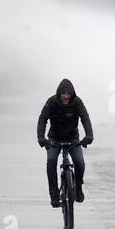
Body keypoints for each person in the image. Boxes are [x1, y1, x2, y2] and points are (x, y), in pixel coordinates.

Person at [37, 79, 93, 208]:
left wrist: (89, 135)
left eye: (69, 94)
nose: (66, 96)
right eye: (64, 94)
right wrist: (41, 137)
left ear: (72, 94)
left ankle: (78, 187)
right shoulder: (51, 102)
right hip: (54, 139)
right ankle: (54, 194)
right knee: (51, 161)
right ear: (59, 93)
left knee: (80, 162)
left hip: (73, 139)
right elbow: (42, 119)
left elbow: (85, 117)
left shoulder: (77, 102)